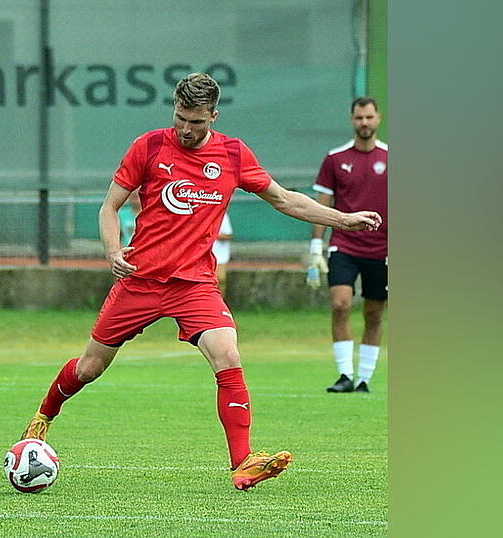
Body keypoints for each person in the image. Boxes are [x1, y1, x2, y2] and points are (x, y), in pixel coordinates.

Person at [21, 74, 382, 491]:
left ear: (214, 114)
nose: (186, 129)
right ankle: (43, 418)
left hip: (194, 283)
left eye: (196, 121)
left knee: (227, 354)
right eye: (180, 118)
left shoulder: (232, 153)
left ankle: (243, 462)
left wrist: (343, 220)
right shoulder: (150, 146)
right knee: (89, 368)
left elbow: (284, 199)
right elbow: (110, 206)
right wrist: (112, 251)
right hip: (139, 280)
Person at [306, 97, 388, 394]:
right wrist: (317, 245)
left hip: (382, 249)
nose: (364, 123)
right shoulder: (336, 159)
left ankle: (365, 378)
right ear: (352, 120)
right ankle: (344, 375)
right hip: (345, 245)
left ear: (378, 118)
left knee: (374, 313)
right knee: (340, 303)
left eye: (369, 117)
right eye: (358, 118)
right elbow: (321, 206)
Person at [212, 212, 233, 295]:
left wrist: (211, 234)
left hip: (220, 255)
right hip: (203, 255)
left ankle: (220, 302)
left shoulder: (223, 216)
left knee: (220, 279)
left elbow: (228, 235)